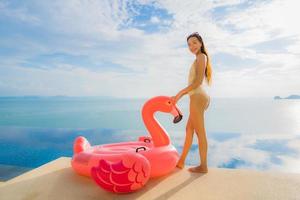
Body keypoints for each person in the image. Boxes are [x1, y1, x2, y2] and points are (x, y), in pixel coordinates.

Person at [171, 32, 212, 173]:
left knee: (200, 133)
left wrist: (180, 93)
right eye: (189, 44)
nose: (192, 46)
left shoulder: (201, 56)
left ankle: (203, 166)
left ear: (201, 43)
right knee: (189, 130)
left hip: (197, 97)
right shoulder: (198, 59)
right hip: (199, 97)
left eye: (194, 42)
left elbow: (198, 81)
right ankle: (181, 161)